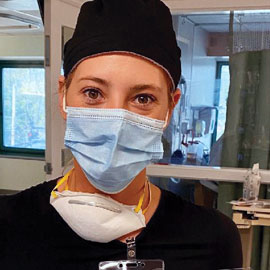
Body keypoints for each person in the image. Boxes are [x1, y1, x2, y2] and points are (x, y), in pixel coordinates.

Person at [0, 0, 242, 269]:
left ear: (170, 107)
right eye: (93, 93)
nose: (116, 122)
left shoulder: (212, 239)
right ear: (63, 95)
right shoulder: (8, 227)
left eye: (143, 98)